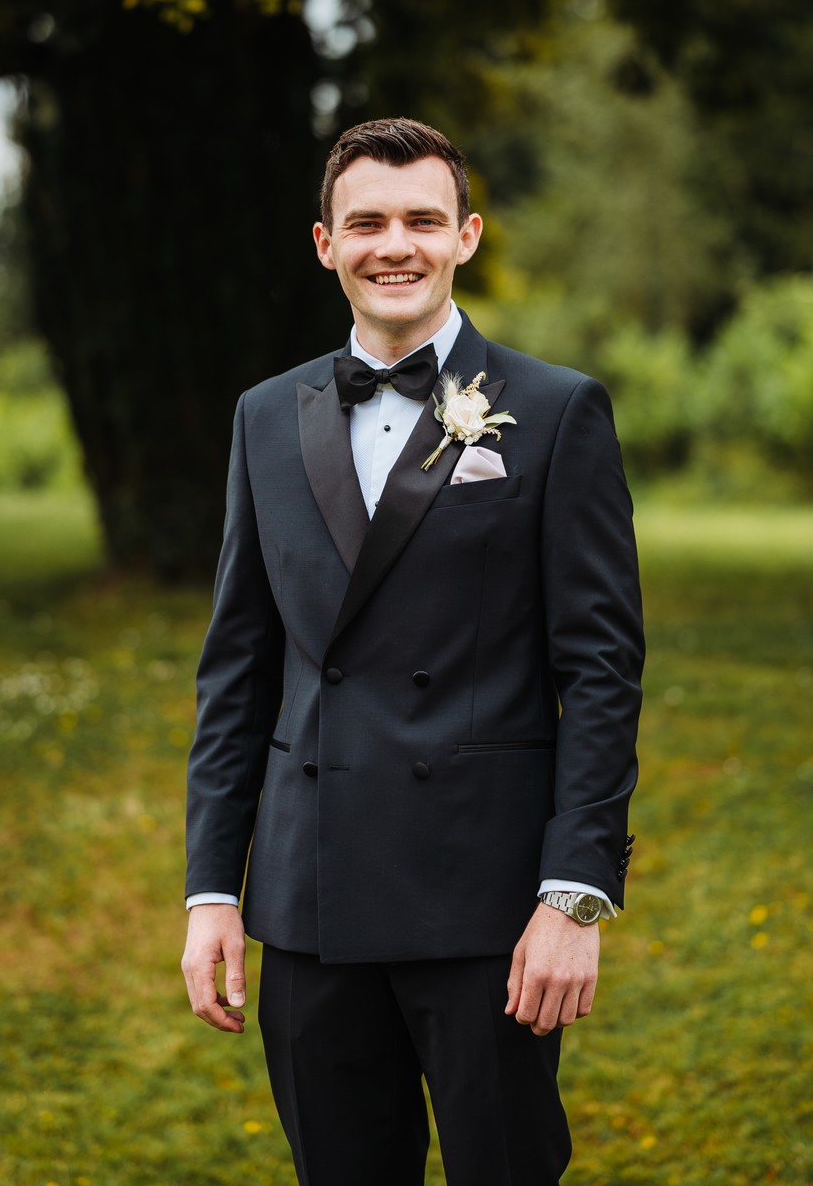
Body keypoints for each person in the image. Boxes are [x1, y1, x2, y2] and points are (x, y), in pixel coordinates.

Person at [181, 117, 644, 1186]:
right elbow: (238, 671)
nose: (397, 244)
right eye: (368, 223)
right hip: (308, 900)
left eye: (423, 220)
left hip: (487, 902)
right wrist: (215, 889)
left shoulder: (556, 409)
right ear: (324, 243)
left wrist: (574, 893)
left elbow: (600, 669)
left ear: (467, 235)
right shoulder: (262, 415)